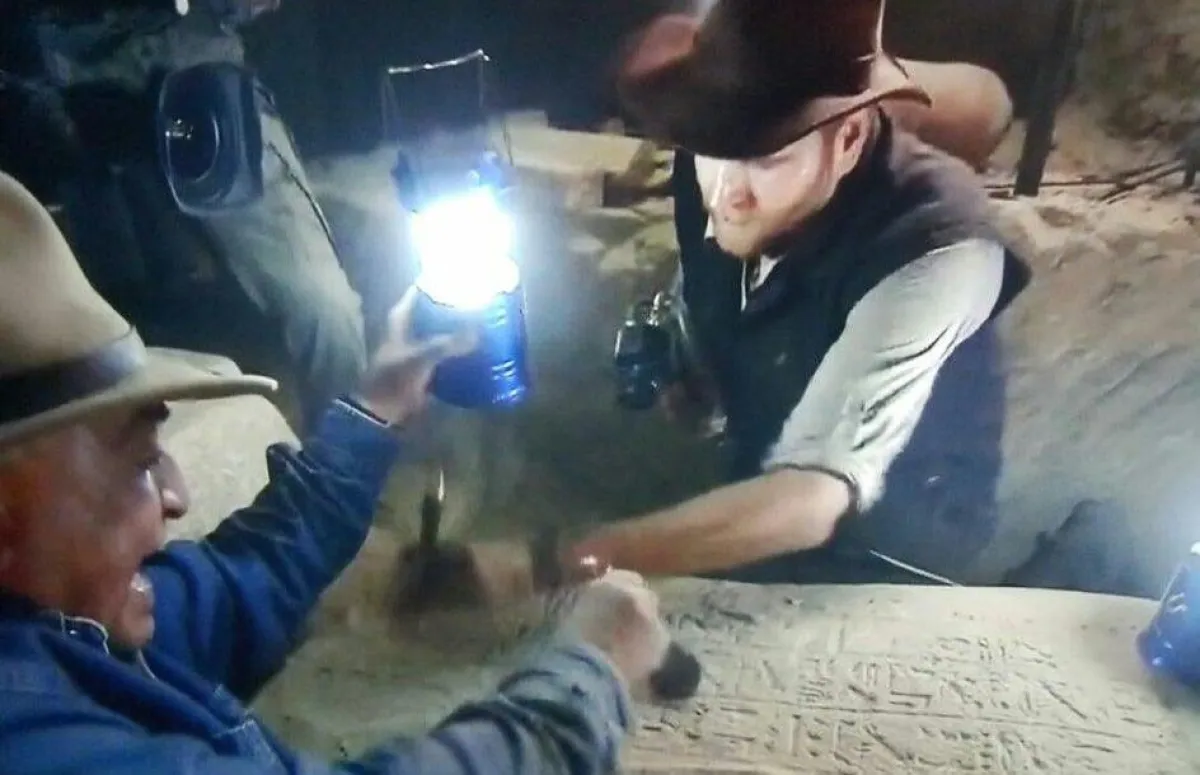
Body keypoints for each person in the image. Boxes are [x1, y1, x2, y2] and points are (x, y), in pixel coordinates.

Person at [0, 169, 672, 775]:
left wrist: (377, 407)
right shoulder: (32, 742)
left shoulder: (59, 624)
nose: (175, 495)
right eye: (140, 462)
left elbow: (245, 581)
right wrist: (585, 680)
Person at [396, 0, 1039, 601]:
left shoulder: (940, 247)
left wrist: (541, 565)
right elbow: (715, 313)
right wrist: (694, 367)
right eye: (712, 154)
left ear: (846, 140)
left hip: (887, 562)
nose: (727, 191)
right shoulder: (718, 152)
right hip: (758, 481)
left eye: (767, 158)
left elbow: (811, 497)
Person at [5, 0, 366, 433]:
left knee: (322, 307)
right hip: (77, 114)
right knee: (115, 344)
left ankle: (346, 456)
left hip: (204, 97)